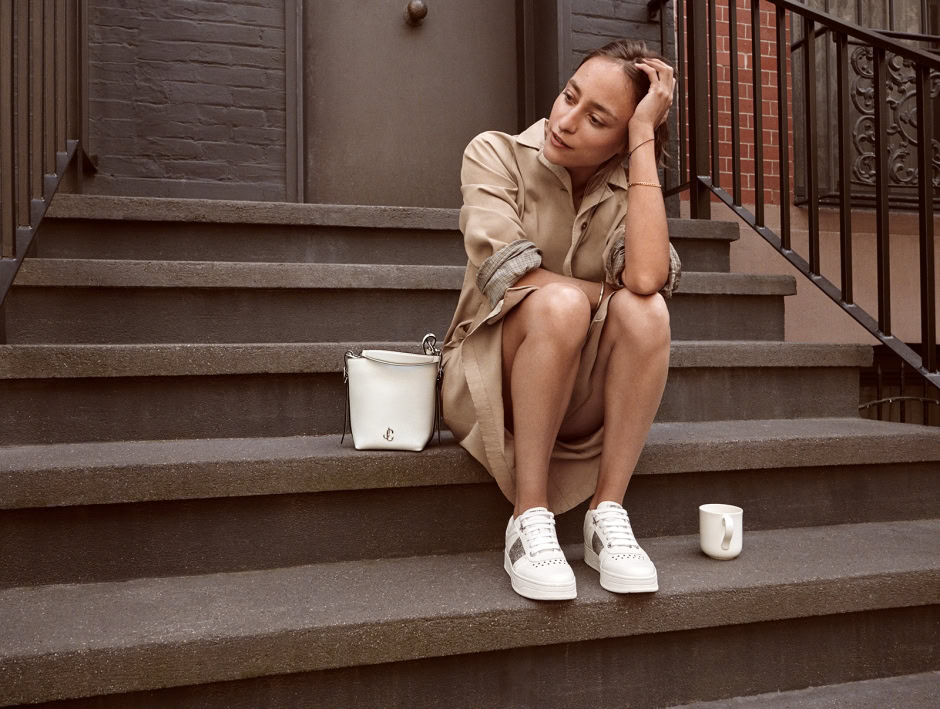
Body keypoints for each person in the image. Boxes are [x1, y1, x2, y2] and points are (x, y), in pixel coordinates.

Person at [440, 39, 681, 601]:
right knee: (562, 304)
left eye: (597, 119)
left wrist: (643, 143)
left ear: (622, 138)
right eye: (569, 96)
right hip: (487, 379)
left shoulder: (629, 186)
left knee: (646, 313)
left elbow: (645, 279)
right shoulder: (495, 154)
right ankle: (529, 517)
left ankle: (607, 514)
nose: (565, 121)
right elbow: (511, 276)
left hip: (576, 393)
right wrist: (601, 294)